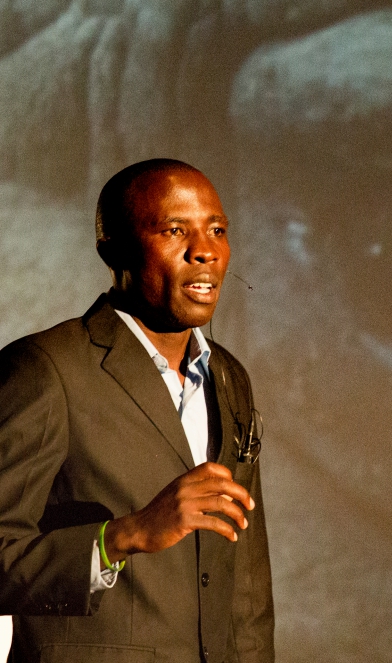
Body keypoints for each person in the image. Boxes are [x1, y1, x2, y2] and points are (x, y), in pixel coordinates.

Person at [0, 159, 274, 663]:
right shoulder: (45, 369)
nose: (206, 251)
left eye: (217, 230)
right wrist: (123, 537)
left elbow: (246, 586)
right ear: (114, 249)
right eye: (175, 230)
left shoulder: (231, 378)